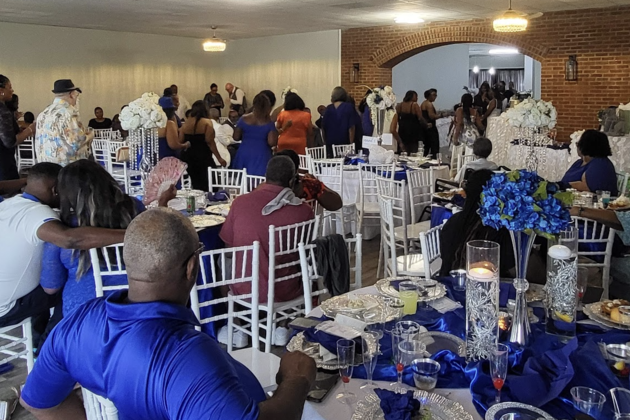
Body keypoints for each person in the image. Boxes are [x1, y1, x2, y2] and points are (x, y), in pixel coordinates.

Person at [21, 208, 317, 420]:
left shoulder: (79, 322)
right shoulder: (185, 355)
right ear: (192, 267)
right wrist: (297, 380)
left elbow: (37, 402)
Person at [0, 163, 125, 335]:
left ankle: (47, 339)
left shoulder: (9, 204)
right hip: (6, 308)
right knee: (63, 283)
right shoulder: (39, 214)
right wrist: (133, 233)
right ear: (55, 190)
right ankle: (51, 338)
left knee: (55, 276)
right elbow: (70, 239)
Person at [38, 160, 167, 317]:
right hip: (138, 304)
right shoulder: (133, 208)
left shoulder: (63, 230)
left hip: (84, 313)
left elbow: (51, 286)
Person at [220, 156, 314, 345]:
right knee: (296, 263)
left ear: (265, 176)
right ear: (292, 181)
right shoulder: (304, 211)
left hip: (246, 288)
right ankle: (282, 326)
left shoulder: (240, 202)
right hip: (287, 288)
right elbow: (304, 253)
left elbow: (229, 244)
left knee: (223, 262)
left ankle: (238, 327)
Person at [439, 169, 515, 278]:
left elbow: (445, 259)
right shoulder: (497, 229)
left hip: (449, 280)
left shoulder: (453, 222)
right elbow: (510, 267)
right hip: (487, 284)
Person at [36, 79, 93, 166]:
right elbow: (76, 142)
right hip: (65, 167)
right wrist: (90, 134)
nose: (77, 99)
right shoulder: (69, 113)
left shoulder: (43, 113)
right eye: (77, 95)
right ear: (71, 94)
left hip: (45, 166)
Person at [180, 101, 227, 191]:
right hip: (203, 156)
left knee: (196, 182)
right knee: (210, 181)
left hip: (189, 156)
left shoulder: (186, 123)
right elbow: (210, 142)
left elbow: (180, 140)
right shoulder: (207, 122)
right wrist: (219, 158)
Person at [276, 149, 342, 211]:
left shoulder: (272, 187)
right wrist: (317, 183)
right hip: (306, 218)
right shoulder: (309, 185)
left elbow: (337, 204)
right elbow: (337, 204)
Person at [232, 93, 278, 176]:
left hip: (244, 152)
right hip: (262, 154)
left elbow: (235, 137)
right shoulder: (268, 122)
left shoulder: (244, 119)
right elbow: (272, 142)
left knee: (242, 179)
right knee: (259, 179)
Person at [561, 130, 618, 195]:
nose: (577, 145)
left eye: (579, 143)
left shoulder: (600, 164)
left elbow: (588, 187)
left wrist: (563, 185)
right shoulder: (579, 162)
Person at [0, 75, 35, 180]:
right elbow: (10, 141)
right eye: (10, 87)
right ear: (1, 91)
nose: (12, 90)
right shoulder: (3, 111)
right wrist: (30, 130)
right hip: (3, 164)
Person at [321, 86, 356, 158]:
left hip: (331, 141)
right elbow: (351, 127)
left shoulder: (328, 108)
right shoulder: (349, 107)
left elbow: (323, 127)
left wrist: (325, 142)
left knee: (333, 161)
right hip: (344, 141)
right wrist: (351, 143)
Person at [390, 90, 425, 154]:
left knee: (403, 149)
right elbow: (420, 117)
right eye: (416, 96)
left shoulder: (399, 105)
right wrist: (426, 124)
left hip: (402, 129)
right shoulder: (414, 105)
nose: (417, 98)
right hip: (413, 130)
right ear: (411, 96)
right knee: (414, 150)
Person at [420, 88, 440, 158]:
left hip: (425, 128)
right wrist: (442, 115)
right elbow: (432, 116)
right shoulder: (429, 104)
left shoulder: (424, 103)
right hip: (430, 128)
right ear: (429, 95)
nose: (435, 97)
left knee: (426, 147)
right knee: (434, 147)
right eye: (434, 95)